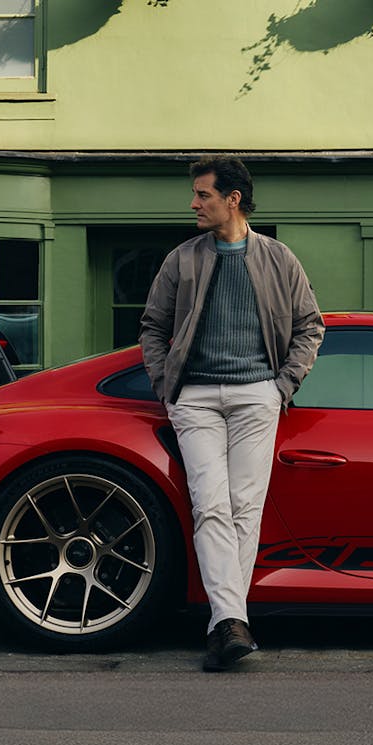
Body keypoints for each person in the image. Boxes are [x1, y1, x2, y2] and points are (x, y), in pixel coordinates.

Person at [139, 157, 324, 671]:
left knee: (245, 507)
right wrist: (166, 387)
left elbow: (311, 326)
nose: (194, 204)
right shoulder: (182, 259)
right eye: (196, 195)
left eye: (203, 195)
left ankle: (225, 625)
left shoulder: (278, 258)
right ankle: (231, 623)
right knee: (211, 507)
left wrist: (281, 387)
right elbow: (152, 327)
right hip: (194, 398)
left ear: (232, 199)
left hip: (256, 397)